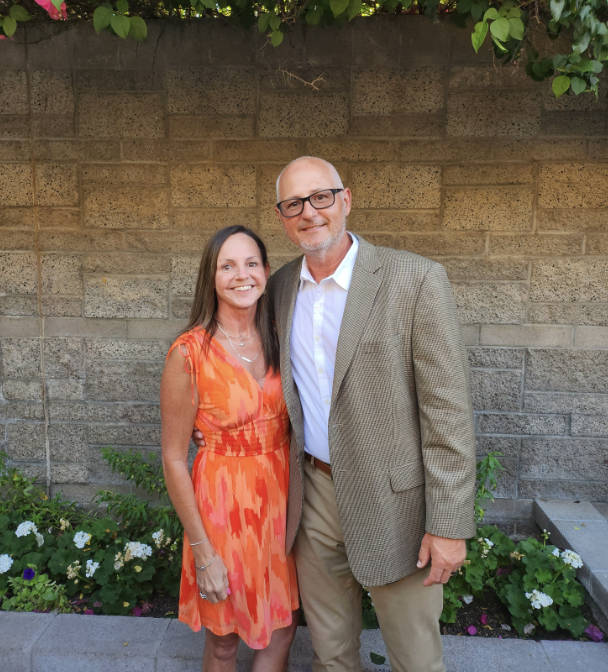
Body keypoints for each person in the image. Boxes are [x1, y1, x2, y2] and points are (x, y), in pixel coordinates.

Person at [195, 156, 477, 672]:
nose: (310, 212)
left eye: (321, 197)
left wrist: (449, 523)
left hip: (396, 502)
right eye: (294, 203)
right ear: (282, 217)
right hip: (313, 497)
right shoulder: (276, 288)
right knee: (331, 655)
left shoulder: (414, 279)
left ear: (345, 200)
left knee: (416, 658)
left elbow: (448, 414)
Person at [161, 226, 299, 672]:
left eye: (251, 263)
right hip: (221, 512)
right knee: (223, 642)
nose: (241, 275)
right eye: (228, 265)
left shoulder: (283, 335)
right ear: (212, 276)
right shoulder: (189, 354)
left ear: (265, 271)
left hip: (282, 505)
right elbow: (172, 457)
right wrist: (203, 552)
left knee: (282, 629)